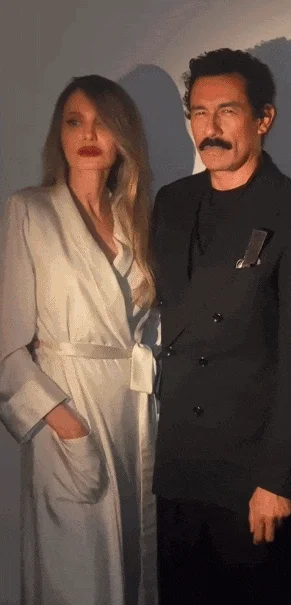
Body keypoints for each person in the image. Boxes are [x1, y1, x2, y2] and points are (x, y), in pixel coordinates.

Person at [150, 48, 291, 605]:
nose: (210, 128)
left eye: (227, 111)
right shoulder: (171, 202)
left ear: (264, 118)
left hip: (252, 476)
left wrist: (277, 480)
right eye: (199, 112)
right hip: (180, 466)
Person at [0, 75, 160, 605]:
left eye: (102, 123)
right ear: (59, 134)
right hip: (68, 413)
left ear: (122, 138)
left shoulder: (135, 220)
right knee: (74, 572)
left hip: (132, 416)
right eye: (75, 121)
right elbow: (6, 345)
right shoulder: (31, 211)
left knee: (133, 565)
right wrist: (67, 429)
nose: (88, 135)